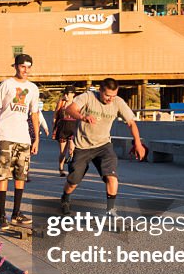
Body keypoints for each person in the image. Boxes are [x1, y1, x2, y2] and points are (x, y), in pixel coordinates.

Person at [59, 78, 146, 218]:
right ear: (100, 90)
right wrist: (82, 117)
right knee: (73, 181)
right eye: (107, 95)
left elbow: (131, 123)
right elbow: (70, 109)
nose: (110, 99)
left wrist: (138, 142)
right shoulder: (88, 96)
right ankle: (65, 197)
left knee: (112, 177)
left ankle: (111, 210)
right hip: (83, 146)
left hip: (103, 145)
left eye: (113, 95)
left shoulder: (118, 102)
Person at [0, 54, 40, 230]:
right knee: (3, 175)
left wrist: (36, 139)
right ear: (16, 66)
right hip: (6, 135)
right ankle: (1, 216)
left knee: (21, 175)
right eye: (23, 66)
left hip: (23, 138)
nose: (26, 70)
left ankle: (16, 213)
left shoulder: (33, 89)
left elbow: (34, 114)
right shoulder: (7, 84)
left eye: (29, 67)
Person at [52, 88, 79, 176]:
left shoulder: (76, 104)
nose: (66, 96)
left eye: (69, 94)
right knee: (63, 152)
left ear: (73, 94)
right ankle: (61, 168)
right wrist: (54, 125)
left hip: (73, 127)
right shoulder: (61, 103)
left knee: (72, 150)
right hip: (62, 128)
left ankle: (72, 169)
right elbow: (56, 115)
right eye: (65, 94)